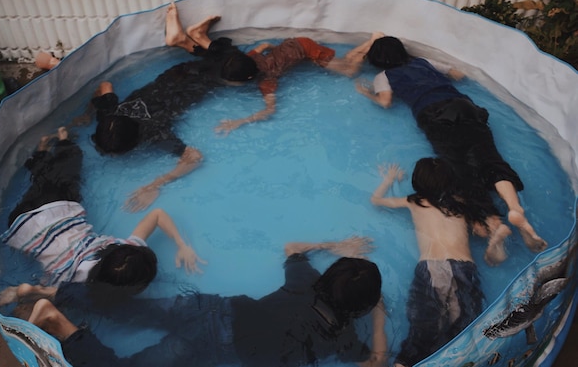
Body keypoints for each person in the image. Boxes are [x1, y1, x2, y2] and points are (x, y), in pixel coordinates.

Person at [3, 236, 388, 367]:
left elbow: (291, 247)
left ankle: (43, 292)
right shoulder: (341, 338)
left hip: (215, 306)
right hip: (211, 343)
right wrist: (379, 317)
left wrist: (336, 244)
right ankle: (56, 321)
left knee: (131, 310)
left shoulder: (307, 280)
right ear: (361, 306)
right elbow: (378, 362)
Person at [356, 35, 547, 255]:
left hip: (435, 117)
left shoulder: (384, 76)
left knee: (460, 169)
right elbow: (458, 73)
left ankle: (494, 223)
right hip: (465, 107)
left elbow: (386, 102)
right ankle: (514, 208)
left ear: (377, 60)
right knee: (490, 158)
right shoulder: (424, 62)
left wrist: (367, 93)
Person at [81, 2, 258, 212]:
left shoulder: (154, 133)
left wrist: (155, 185)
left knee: (243, 73)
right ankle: (186, 40)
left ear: (136, 140)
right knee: (222, 64)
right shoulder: (110, 115)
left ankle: (189, 39)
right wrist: (88, 112)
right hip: (173, 75)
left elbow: (194, 158)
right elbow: (105, 86)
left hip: (192, 88)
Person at [0, 127, 205, 305]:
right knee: (42, 185)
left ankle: (58, 144)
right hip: (20, 225)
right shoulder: (80, 287)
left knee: (64, 171)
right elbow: (52, 293)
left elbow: (157, 215)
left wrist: (181, 244)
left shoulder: (120, 246)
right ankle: (54, 146)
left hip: (57, 210)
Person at [370, 159, 496, 367]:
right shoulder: (460, 203)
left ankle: (405, 363)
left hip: (430, 267)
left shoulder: (414, 202)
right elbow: (482, 232)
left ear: (417, 183)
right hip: (463, 267)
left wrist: (389, 179)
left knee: (423, 327)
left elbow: (376, 200)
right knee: (465, 325)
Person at [215, 32, 386, 134]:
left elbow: (270, 110)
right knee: (342, 63)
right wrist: (281, 54)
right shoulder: (251, 56)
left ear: (249, 78)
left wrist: (241, 121)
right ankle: (372, 41)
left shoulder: (267, 81)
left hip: (308, 50)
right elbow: (265, 45)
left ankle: (374, 41)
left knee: (350, 71)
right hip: (296, 43)